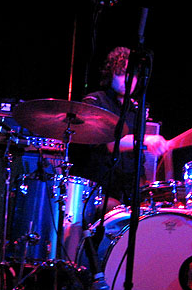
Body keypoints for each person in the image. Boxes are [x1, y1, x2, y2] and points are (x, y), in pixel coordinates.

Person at [72, 46, 168, 213]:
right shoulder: (95, 102)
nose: (128, 80)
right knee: (114, 210)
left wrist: (145, 191)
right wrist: (146, 140)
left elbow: (137, 161)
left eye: (133, 75)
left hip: (128, 192)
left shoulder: (136, 109)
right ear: (110, 74)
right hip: (97, 191)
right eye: (122, 74)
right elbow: (107, 142)